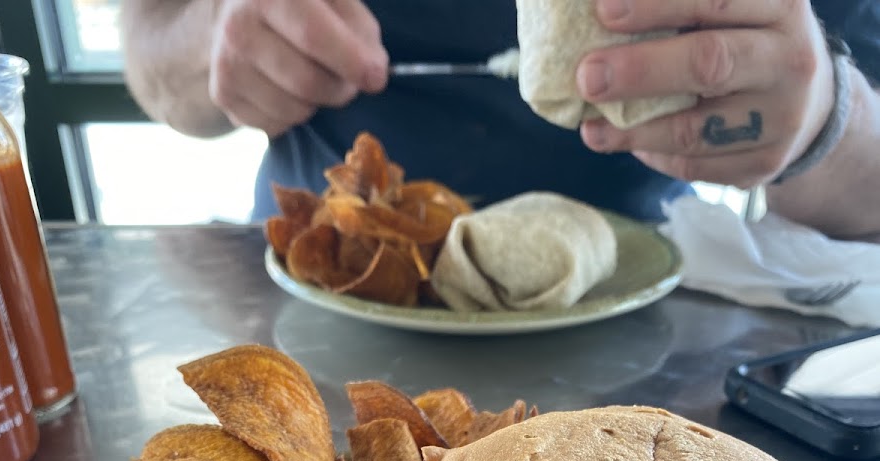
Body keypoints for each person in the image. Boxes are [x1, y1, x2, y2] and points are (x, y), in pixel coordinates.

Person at [121, 0, 880, 239]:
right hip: (318, 274)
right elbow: (150, 50)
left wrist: (823, 125)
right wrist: (215, 33)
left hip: (651, 311)